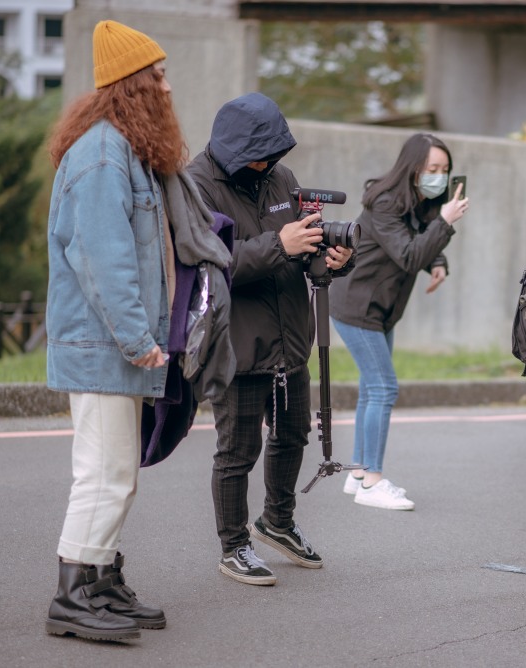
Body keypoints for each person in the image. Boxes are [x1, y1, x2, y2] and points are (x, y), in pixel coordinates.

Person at [43, 20, 185, 641]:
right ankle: (72, 596)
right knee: (103, 474)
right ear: (131, 85)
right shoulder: (102, 154)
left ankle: (99, 581)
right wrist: (137, 339)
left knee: (116, 473)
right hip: (104, 347)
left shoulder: (116, 148)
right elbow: (104, 258)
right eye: (156, 76)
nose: (168, 86)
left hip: (111, 346)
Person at [187, 93, 353, 586]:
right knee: (237, 452)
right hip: (238, 345)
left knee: (292, 434)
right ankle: (234, 546)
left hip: (290, 340)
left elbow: (304, 243)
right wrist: (278, 245)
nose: (268, 162)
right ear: (233, 147)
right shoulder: (197, 185)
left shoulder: (279, 177)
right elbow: (208, 264)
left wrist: (331, 257)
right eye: (258, 153)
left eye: (273, 152)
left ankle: (277, 522)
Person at [329, 133, 469, 510]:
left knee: (371, 389)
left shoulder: (418, 202)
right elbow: (408, 254)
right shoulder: (387, 202)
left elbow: (417, 243)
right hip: (357, 306)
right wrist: (445, 223)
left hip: (381, 308)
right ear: (413, 169)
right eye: (432, 169)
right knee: (383, 388)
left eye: (444, 170)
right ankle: (372, 482)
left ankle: (358, 473)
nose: (439, 177)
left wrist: (437, 262)